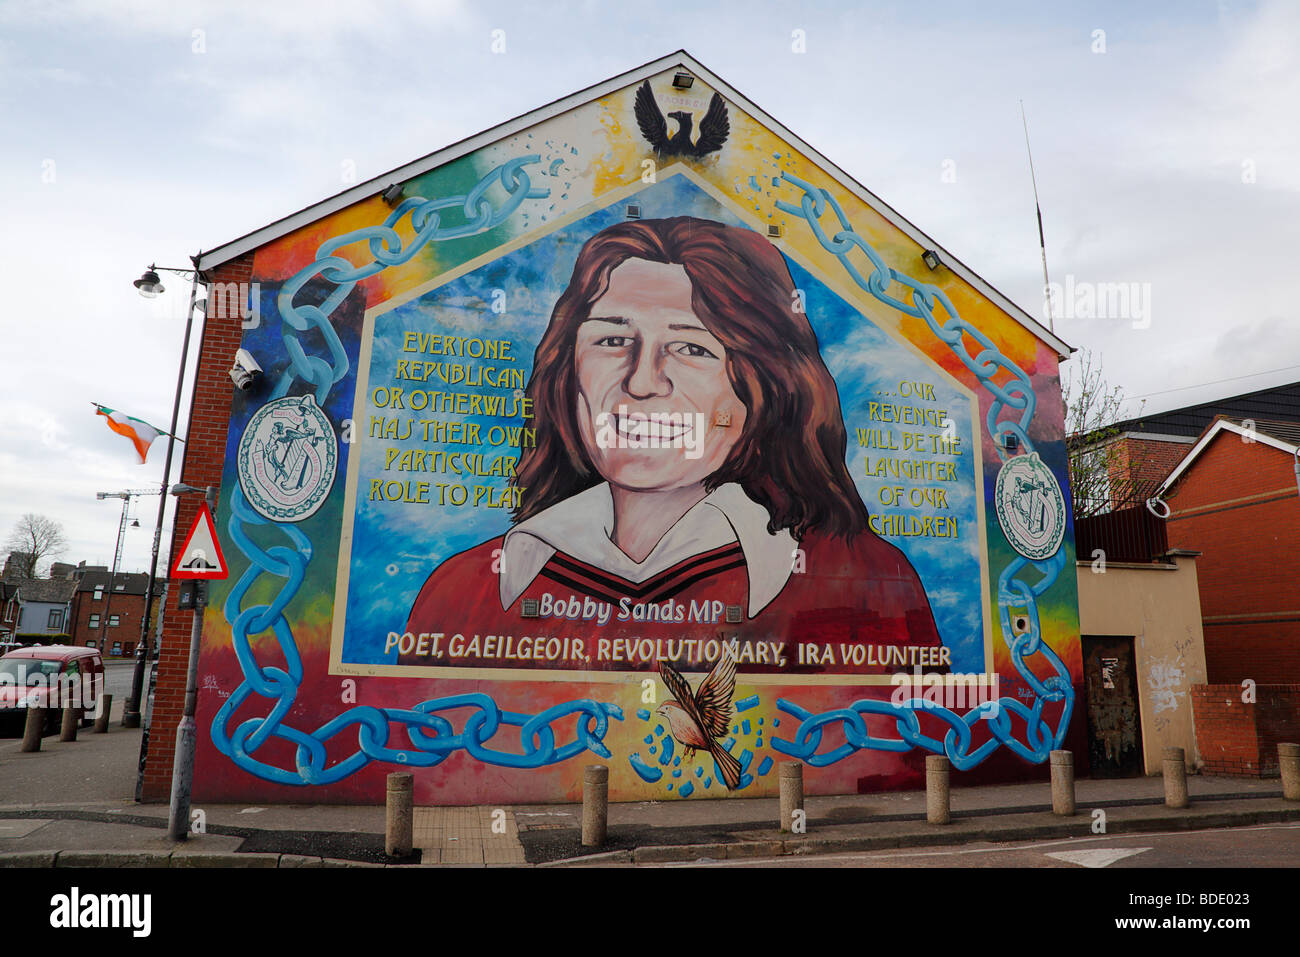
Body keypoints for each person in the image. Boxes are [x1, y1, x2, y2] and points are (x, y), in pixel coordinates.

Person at [403, 217, 945, 675]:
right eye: (612, 340)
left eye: (690, 348)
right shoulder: (466, 590)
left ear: (764, 387)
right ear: (567, 374)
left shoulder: (864, 581)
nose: (642, 382)